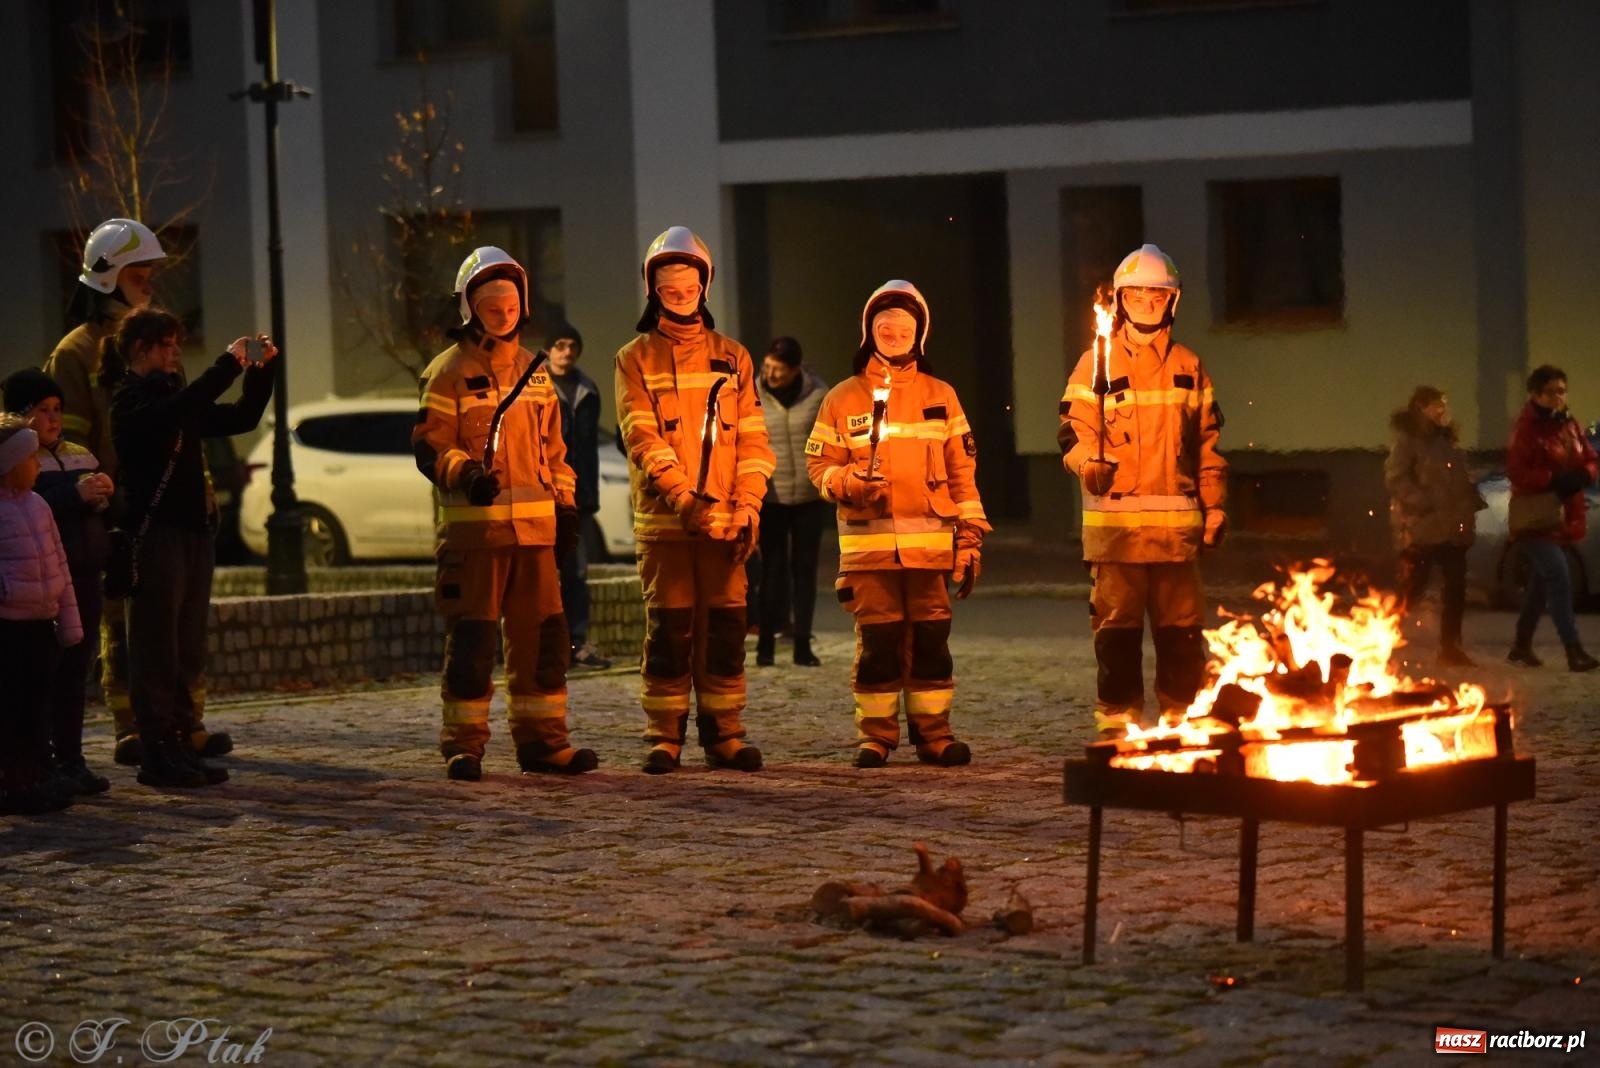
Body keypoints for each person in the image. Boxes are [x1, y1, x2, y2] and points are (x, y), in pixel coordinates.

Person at [43, 218, 225, 767]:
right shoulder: (77, 352)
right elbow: (67, 442)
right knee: (125, 625)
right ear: (109, 277)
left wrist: (206, 491)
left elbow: (186, 428)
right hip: (124, 509)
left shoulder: (157, 338)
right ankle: (134, 727)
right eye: (139, 273)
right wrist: (93, 496)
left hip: (176, 509)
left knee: (181, 628)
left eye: (149, 273)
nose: (149, 283)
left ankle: (186, 725)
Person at [412, 247, 598, 781]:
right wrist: (465, 473)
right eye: (491, 303)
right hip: (478, 538)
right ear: (469, 307)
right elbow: (429, 445)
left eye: (510, 302)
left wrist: (566, 509)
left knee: (543, 644)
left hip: (537, 536)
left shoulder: (537, 372)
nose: (503, 311)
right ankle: (464, 745)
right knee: (471, 647)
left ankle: (544, 744)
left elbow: (555, 453)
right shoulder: (446, 373)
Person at [806, 280, 990, 768]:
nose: (893, 331)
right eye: (884, 324)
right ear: (869, 331)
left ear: (919, 335)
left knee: (931, 644)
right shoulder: (842, 399)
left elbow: (962, 475)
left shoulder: (942, 396)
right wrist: (849, 482)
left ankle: (934, 735)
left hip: (930, 551)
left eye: (904, 325)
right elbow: (819, 469)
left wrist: (970, 538)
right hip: (868, 554)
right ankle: (877, 737)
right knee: (879, 647)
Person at [615, 226, 775, 774]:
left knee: (726, 631)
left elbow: (753, 440)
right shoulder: (634, 359)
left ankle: (725, 735)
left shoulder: (734, 358)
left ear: (704, 287)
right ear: (652, 289)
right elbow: (641, 437)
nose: (679, 293)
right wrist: (684, 498)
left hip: (728, 524)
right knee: (670, 631)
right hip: (667, 525)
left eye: (688, 284)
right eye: (669, 286)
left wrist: (749, 504)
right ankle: (665, 736)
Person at [1058, 244, 1227, 737]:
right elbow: (1072, 432)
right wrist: (1089, 464)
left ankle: (1182, 721)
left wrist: (1215, 509)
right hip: (1116, 537)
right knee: (1116, 636)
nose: (1146, 306)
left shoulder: (1190, 366)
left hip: (1177, 539)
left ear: (1171, 303)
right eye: (1137, 298)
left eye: (1156, 298)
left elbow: (1208, 447)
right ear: (1119, 302)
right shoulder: (1096, 363)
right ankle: (1119, 724)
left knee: (1181, 636)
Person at [109, 307, 273, 788]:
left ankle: (180, 743)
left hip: (194, 533)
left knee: (186, 645)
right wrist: (227, 364)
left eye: (176, 342)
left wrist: (261, 373)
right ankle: (156, 751)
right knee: (155, 647)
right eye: (166, 343)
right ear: (141, 349)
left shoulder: (170, 398)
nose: (176, 351)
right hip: (156, 535)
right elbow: (178, 412)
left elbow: (241, 417)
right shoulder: (131, 401)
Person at [4, 369, 113, 795]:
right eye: (42, 410)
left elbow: (92, 508)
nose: (52, 419)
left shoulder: (79, 453)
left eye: (57, 410)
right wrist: (75, 495)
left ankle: (71, 757)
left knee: (76, 673)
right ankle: (39, 762)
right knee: (41, 678)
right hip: (36, 585)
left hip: (79, 576)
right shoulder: (16, 461)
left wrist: (104, 495)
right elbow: (27, 507)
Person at [0, 415, 84, 814]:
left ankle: (34, 777)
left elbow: (60, 566)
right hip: (9, 627)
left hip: (41, 624)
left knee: (37, 706)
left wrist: (69, 622)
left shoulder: (39, 507)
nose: (37, 466)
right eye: (30, 459)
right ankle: (11, 781)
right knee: (10, 708)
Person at [1384, 386, 1486, 666]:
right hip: (1423, 529)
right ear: (1420, 407)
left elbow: (1455, 478)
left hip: (1452, 527)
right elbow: (1396, 478)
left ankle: (1450, 648)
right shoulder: (1409, 439)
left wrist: (1469, 498)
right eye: (1436, 405)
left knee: (1455, 588)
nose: (1442, 410)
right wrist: (1423, 502)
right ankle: (1379, 638)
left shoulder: (1447, 439)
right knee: (1412, 589)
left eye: (1444, 404)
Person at [1505, 364, 1598, 672]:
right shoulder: (1526, 429)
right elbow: (1517, 472)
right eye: (1551, 392)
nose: (1558, 397)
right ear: (1535, 394)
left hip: (1563, 512)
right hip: (1536, 517)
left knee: (1540, 585)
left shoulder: (1569, 423)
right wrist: (1552, 479)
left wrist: (1585, 474)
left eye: (1562, 390)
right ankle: (1574, 651)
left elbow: (1590, 457)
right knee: (1559, 577)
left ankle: (1520, 646)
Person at [755, 336, 829, 668]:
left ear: (797, 369)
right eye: (767, 367)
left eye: (779, 370)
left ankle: (802, 643)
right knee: (770, 571)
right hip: (770, 496)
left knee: (805, 571)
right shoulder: (752, 396)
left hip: (808, 498)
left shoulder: (818, 396)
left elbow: (830, 440)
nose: (771, 375)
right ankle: (765, 646)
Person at [544, 322, 612, 671]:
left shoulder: (588, 390)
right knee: (541, 575)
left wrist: (588, 495)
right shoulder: (535, 387)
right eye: (559, 344)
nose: (566, 351)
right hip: (543, 495)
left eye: (572, 345)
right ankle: (546, 645)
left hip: (578, 497)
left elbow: (588, 451)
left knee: (576, 573)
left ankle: (576, 642)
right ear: (547, 350)